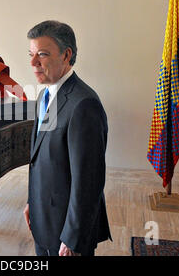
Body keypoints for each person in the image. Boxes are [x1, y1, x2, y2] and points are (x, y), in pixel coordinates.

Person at [23, 20, 112, 256]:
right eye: (31, 54)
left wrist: (73, 237)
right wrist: (33, 202)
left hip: (66, 233)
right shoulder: (45, 94)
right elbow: (42, 160)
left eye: (42, 54)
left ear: (66, 55)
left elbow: (88, 181)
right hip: (44, 221)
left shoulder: (84, 104)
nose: (33, 63)